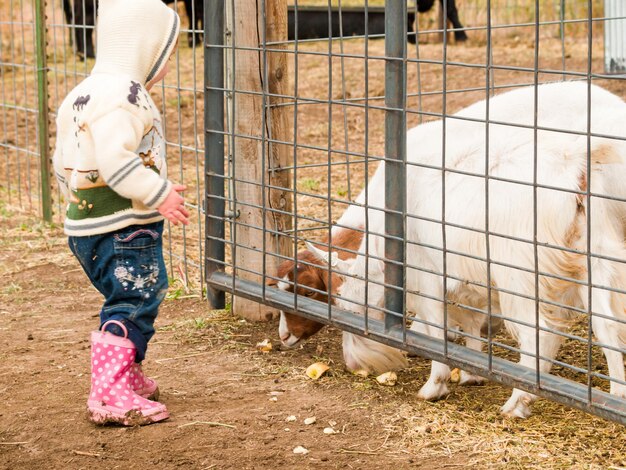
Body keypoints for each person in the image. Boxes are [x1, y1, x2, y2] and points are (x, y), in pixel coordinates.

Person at [52, 0, 189, 426]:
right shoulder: (125, 97)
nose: (167, 62)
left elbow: (63, 161)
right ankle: (110, 391)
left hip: (86, 226)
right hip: (124, 228)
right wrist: (158, 191)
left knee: (125, 298)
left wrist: (71, 206)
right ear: (146, 46)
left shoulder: (82, 93)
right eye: (167, 52)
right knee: (135, 299)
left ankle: (125, 372)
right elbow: (115, 160)